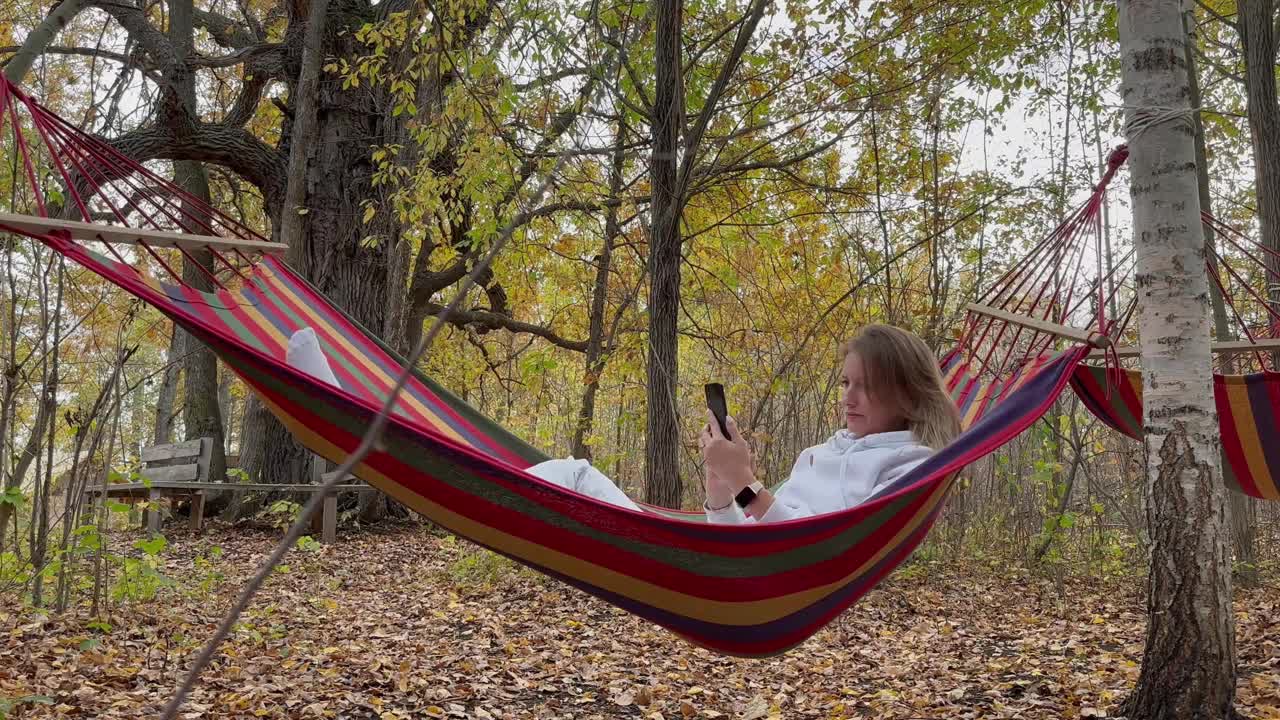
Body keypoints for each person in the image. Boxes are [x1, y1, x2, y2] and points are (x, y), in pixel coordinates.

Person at [285, 323, 961, 523]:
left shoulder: (904, 465)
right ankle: (368, 425)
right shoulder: (827, 448)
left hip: (749, 575)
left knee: (574, 474)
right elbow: (747, 535)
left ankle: (364, 426)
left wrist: (749, 488)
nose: (848, 398)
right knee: (569, 476)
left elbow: (806, 546)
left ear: (906, 391)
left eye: (865, 388)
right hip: (721, 560)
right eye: (844, 382)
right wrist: (722, 491)